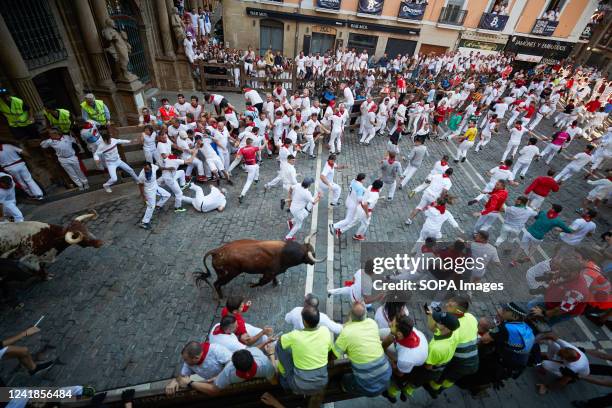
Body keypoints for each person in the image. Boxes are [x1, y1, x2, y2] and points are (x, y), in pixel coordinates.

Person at [332, 302, 392, 397]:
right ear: (365, 314)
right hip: (387, 375)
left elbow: (333, 356)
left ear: (350, 316)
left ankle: (345, 388)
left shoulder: (346, 332)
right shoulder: (372, 323)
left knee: (344, 379)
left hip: (367, 388)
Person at [400, 310, 460, 398]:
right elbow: (433, 328)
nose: (436, 321)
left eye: (439, 321)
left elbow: (428, 366)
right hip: (441, 361)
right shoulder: (454, 332)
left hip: (431, 370)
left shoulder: (437, 348)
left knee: (416, 380)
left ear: (446, 328)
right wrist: (431, 315)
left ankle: (407, 391)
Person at [276, 305, 333, 395]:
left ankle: (284, 379)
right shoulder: (325, 331)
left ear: (304, 322)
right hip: (322, 382)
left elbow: (280, 343)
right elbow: (329, 350)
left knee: (279, 346)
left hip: (299, 385)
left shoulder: (295, 335)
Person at [430, 296, 479, 394]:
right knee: (452, 378)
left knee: (443, 374)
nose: (446, 304)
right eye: (449, 302)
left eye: (450, 305)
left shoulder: (450, 328)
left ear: (458, 311)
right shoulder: (471, 317)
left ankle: (433, 389)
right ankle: (441, 389)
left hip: (459, 361)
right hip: (473, 362)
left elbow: (441, 349)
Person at [178, 347, 276, 395]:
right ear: (252, 357)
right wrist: (271, 355)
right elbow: (274, 381)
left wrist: (190, 382)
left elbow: (213, 390)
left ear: (233, 363)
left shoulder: (228, 372)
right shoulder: (265, 365)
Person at [382, 315, 428, 403]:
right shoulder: (411, 330)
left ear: (399, 334)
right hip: (415, 357)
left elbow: (399, 373)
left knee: (397, 382)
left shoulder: (405, 359)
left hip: (412, 368)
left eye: (392, 324)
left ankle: (391, 395)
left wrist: (391, 362)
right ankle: (403, 391)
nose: (389, 323)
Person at [165, 341, 232, 396]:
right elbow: (182, 376)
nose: (185, 362)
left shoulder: (217, 350)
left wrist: (219, 376)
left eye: (186, 360)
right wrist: (174, 381)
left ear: (196, 358)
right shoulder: (189, 362)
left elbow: (232, 363)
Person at [94, 127, 139, 193]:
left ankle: (137, 180)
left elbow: (120, 140)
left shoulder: (113, 140)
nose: (110, 141)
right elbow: (96, 154)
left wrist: (130, 141)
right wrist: (97, 159)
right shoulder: (101, 146)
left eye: (110, 140)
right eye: (108, 141)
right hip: (111, 164)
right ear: (104, 140)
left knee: (130, 170)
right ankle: (106, 185)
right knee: (114, 179)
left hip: (118, 160)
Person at [330, 173, 366, 239]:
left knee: (350, 218)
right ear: (362, 180)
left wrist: (366, 191)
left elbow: (361, 188)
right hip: (353, 205)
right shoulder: (360, 188)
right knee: (348, 220)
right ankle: (334, 226)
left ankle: (339, 230)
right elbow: (359, 199)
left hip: (348, 200)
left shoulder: (353, 181)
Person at [137, 163, 171, 230]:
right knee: (151, 206)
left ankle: (158, 206)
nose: (146, 170)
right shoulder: (141, 176)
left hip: (155, 187)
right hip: (148, 191)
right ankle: (144, 222)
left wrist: (168, 168)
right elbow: (140, 186)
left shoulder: (154, 167)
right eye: (145, 169)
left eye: (147, 169)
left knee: (167, 195)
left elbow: (160, 167)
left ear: (151, 167)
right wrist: (143, 196)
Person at [235, 136, 261, 204]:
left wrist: (239, 156)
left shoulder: (242, 149)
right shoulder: (253, 148)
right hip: (252, 166)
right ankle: (242, 195)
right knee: (248, 182)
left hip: (247, 165)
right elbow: (261, 147)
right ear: (250, 143)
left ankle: (256, 179)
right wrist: (266, 143)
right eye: (252, 143)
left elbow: (238, 156)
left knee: (257, 166)